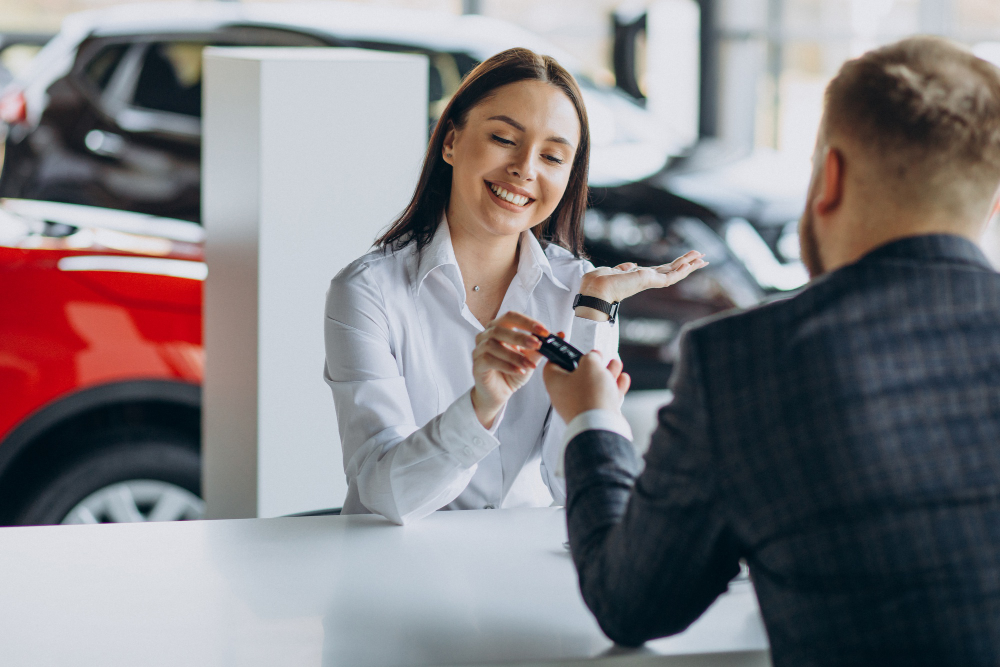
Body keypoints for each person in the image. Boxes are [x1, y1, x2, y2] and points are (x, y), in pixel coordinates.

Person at [543, 36, 1000, 666]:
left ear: (828, 177)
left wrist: (592, 420)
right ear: (993, 202)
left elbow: (631, 603)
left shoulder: (746, 363)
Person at [323, 48, 706, 525]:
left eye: (552, 156)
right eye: (504, 138)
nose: (526, 168)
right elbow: (386, 492)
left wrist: (594, 312)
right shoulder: (368, 292)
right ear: (450, 141)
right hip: (396, 565)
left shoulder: (579, 289)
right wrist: (480, 409)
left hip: (521, 563)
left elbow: (574, 485)